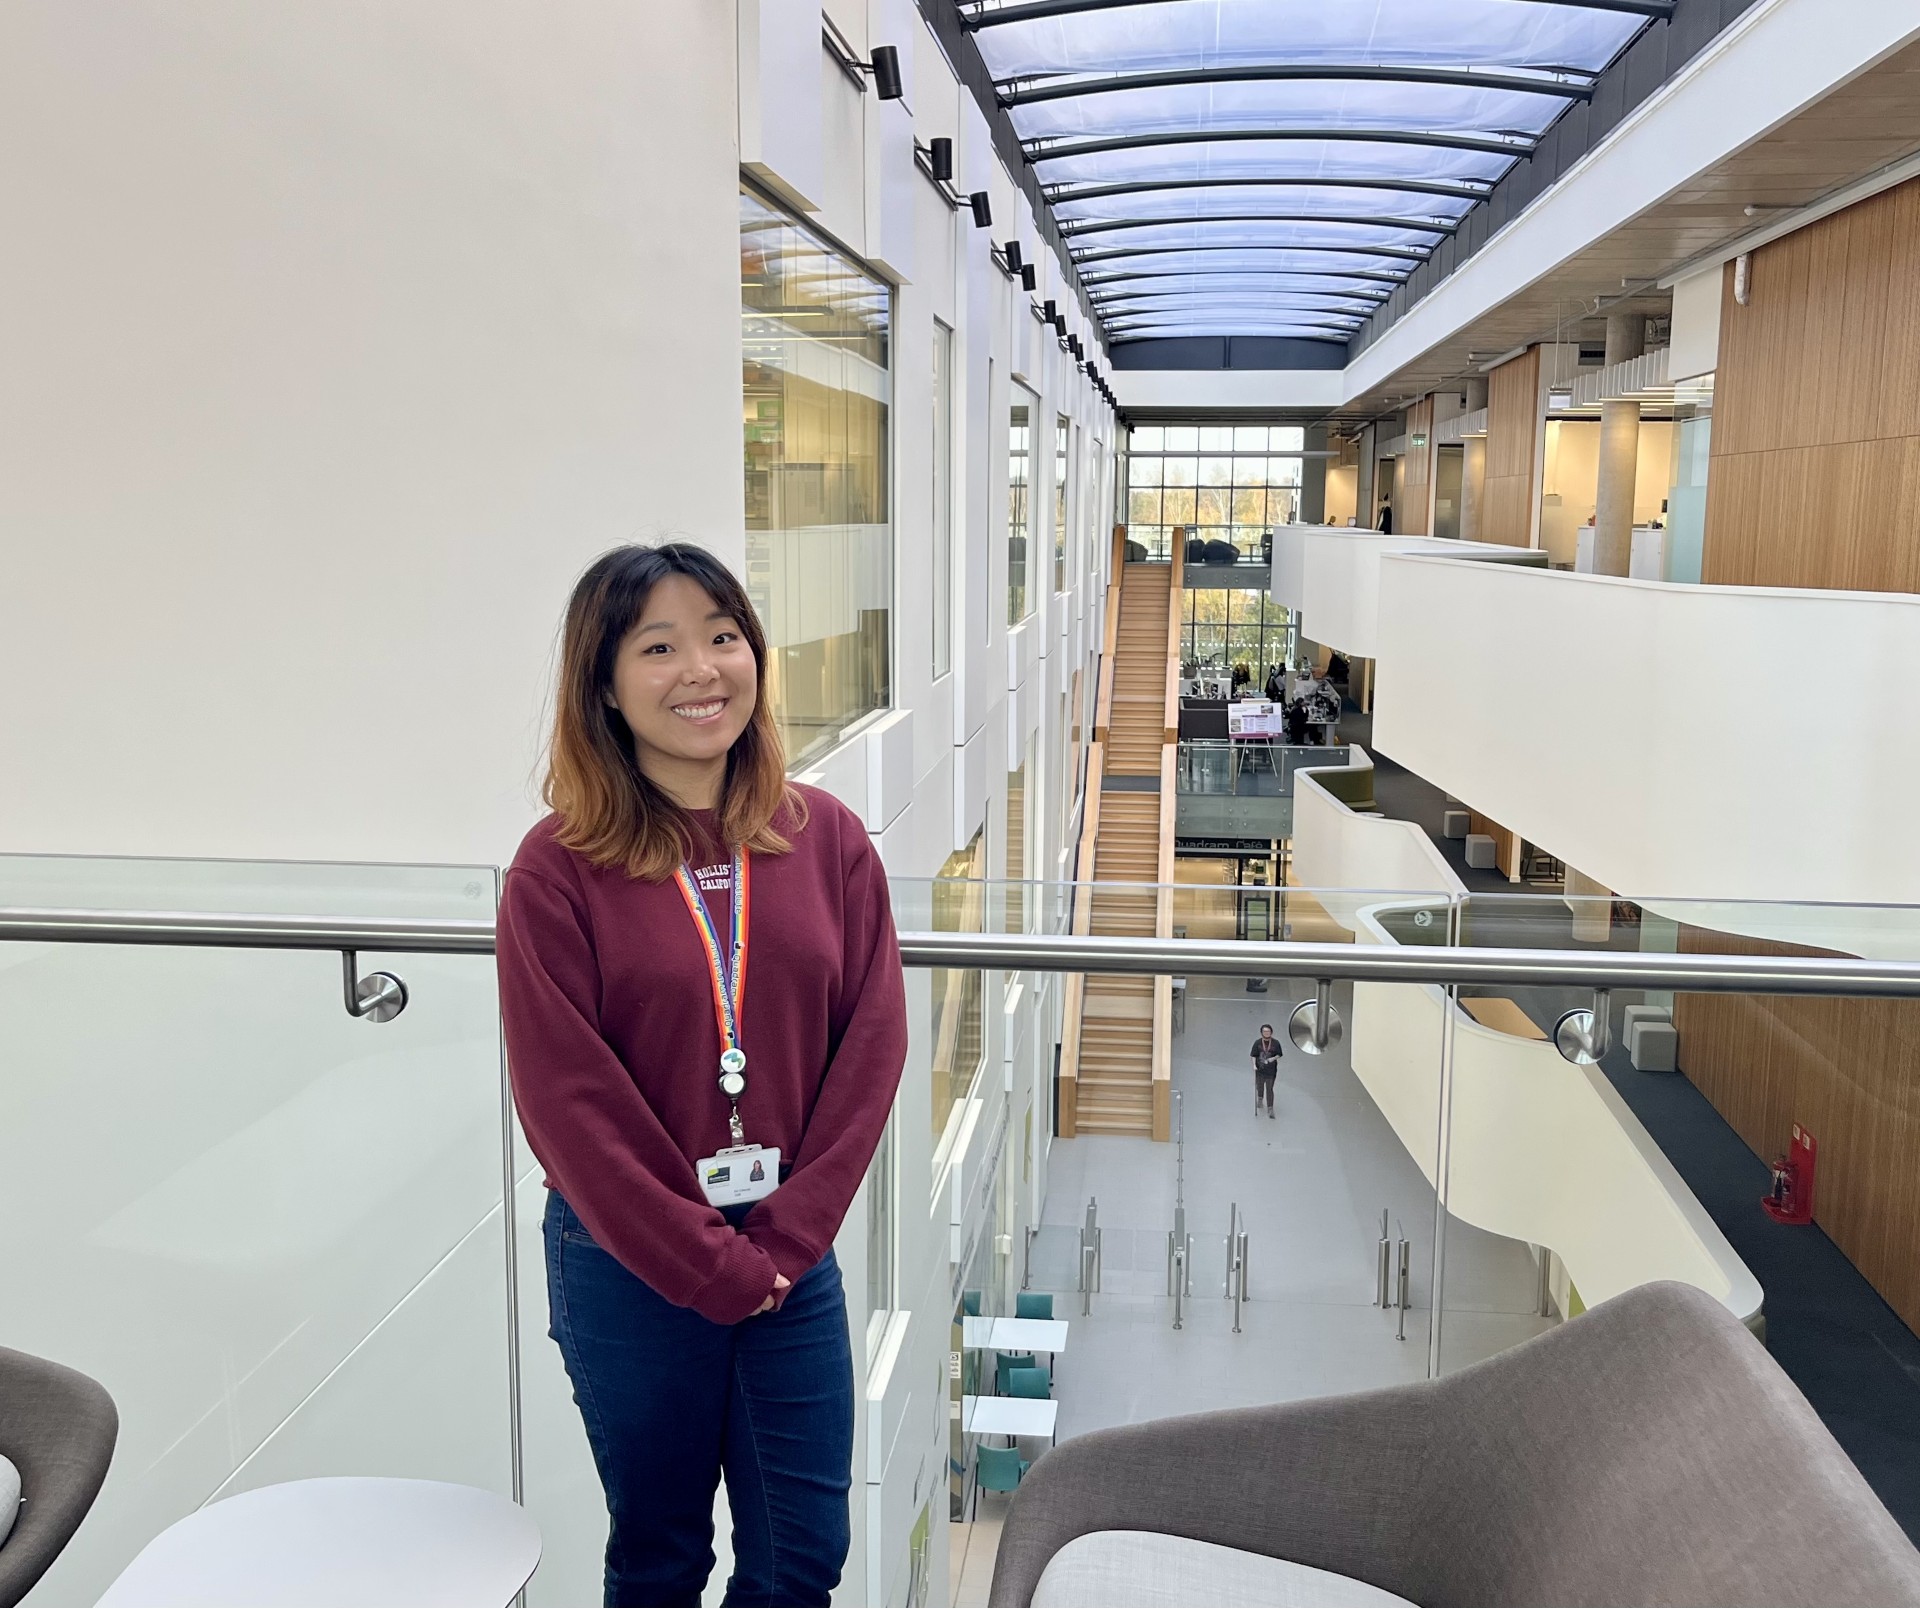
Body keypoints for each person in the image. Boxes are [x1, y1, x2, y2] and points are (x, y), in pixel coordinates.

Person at [498, 542, 907, 1608]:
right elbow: (567, 1102)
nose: (702, 670)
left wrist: (780, 1244)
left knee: (802, 1557)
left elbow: (872, 1045)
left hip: (787, 1255)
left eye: (723, 638)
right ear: (605, 684)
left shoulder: (827, 840)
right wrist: (709, 1263)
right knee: (662, 1553)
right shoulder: (558, 868)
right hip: (628, 1262)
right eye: (661, 646)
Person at [1250, 1024, 1282, 1118]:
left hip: (1271, 1070)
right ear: (1261, 1033)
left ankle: (1270, 1108)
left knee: (1269, 1089)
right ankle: (1260, 1098)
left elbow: (1279, 1054)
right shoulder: (1257, 1043)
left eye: (1268, 1031)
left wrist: (1273, 1059)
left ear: (1271, 1032)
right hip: (1260, 1069)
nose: (1266, 1033)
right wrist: (1254, 1065)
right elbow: (1253, 1055)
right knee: (1259, 1086)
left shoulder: (1276, 1043)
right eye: (1264, 1031)